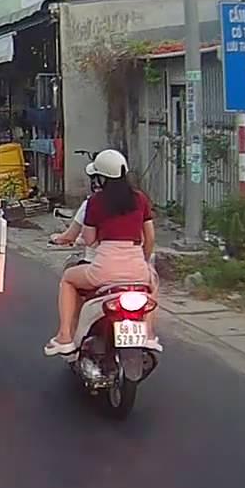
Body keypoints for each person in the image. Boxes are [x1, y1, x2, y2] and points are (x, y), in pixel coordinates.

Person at [44, 149, 161, 356]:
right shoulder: (140, 199)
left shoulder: (95, 202)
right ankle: (149, 334)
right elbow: (150, 238)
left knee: (68, 279)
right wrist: (142, 261)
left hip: (103, 270)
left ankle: (64, 336)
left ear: (101, 177)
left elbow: (89, 239)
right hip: (137, 269)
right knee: (152, 283)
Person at [49, 163, 106, 265]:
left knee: (69, 273)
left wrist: (57, 238)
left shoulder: (91, 204)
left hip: (97, 264)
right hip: (133, 265)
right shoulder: (134, 202)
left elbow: (85, 239)